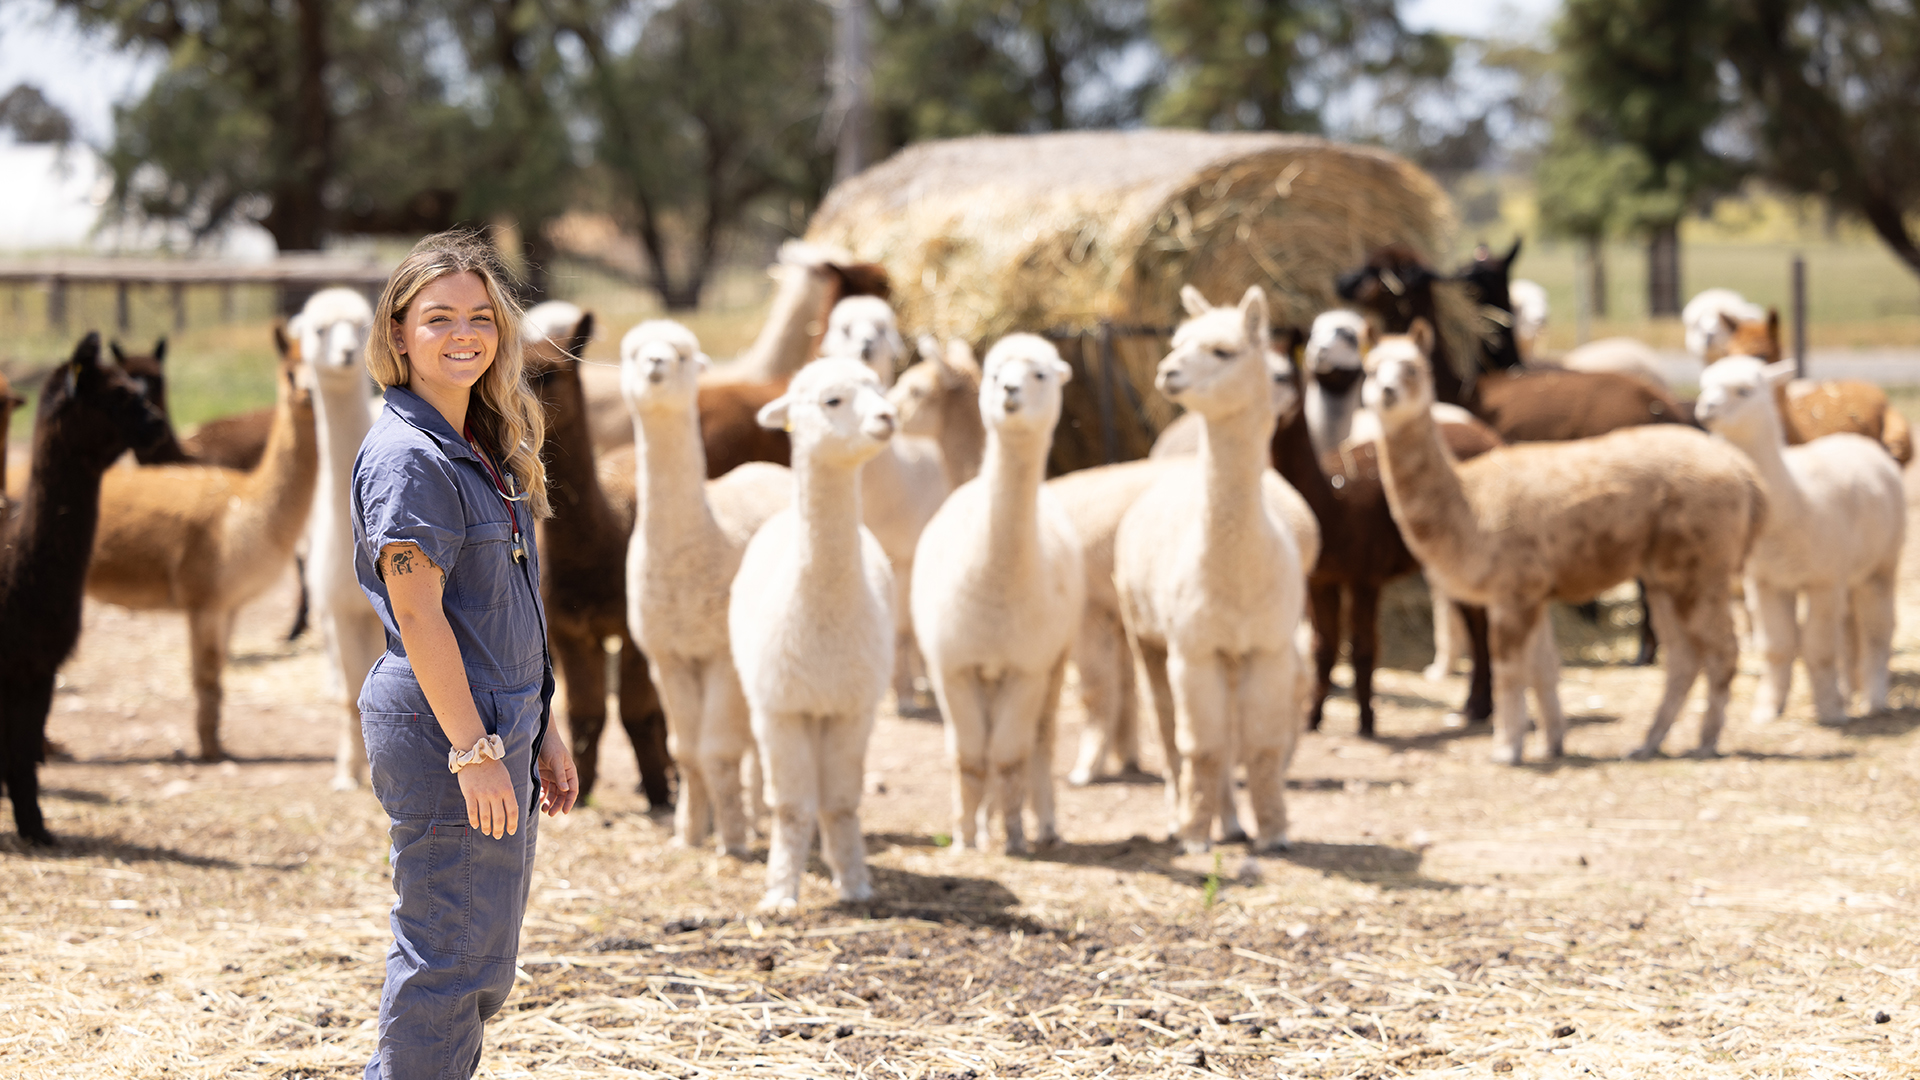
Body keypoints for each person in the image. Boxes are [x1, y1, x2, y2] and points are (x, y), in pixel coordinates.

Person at [351, 230, 578, 1079]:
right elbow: (420, 618)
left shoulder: (479, 440)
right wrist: (475, 752)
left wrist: (540, 726)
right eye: (438, 317)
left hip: (494, 723)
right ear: (399, 331)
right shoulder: (409, 458)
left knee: (478, 962)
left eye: (480, 317)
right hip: (448, 730)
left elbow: (499, 606)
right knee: (449, 957)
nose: (464, 335)